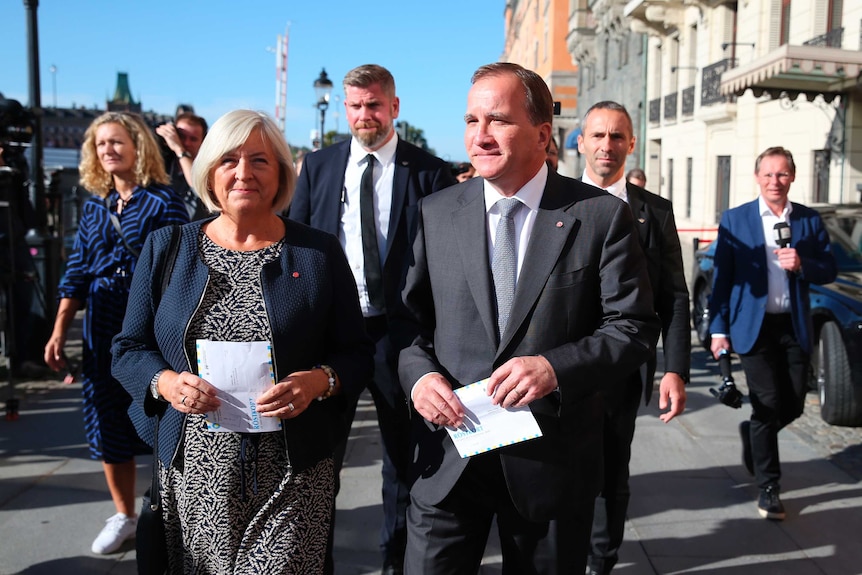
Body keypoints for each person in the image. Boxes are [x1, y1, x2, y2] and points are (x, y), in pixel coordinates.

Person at [396, 62, 660, 574]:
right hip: (449, 458)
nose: (481, 135)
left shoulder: (600, 216)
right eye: (472, 121)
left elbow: (633, 327)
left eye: (497, 120)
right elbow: (410, 325)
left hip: (551, 466)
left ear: (543, 134)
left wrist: (555, 369)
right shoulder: (437, 212)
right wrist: (420, 377)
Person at [111, 109, 375, 573]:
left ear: (281, 175)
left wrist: (318, 381)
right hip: (195, 471)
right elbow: (128, 350)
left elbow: (357, 353)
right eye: (229, 159)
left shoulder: (317, 252)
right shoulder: (167, 247)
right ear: (209, 171)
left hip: (294, 472)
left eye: (260, 160)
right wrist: (167, 383)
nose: (243, 173)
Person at [289, 64, 456, 575]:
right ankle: (315, 562)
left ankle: (394, 561)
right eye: (356, 106)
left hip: (400, 336)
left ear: (394, 107)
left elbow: (448, 262)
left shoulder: (430, 173)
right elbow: (296, 244)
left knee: (404, 461)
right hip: (332, 335)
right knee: (319, 462)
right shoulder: (317, 168)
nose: (365, 116)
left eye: (374, 106)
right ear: (344, 108)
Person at [42, 111, 189, 554]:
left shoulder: (164, 201)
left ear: (139, 146)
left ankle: (173, 513)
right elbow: (76, 272)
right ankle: (124, 515)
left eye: (117, 141)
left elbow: (179, 268)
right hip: (101, 324)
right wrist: (58, 330)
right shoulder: (93, 207)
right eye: (100, 143)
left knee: (162, 415)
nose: (107, 149)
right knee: (106, 419)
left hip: (148, 321)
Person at [577, 101, 690, 575]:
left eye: (617, 136)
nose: (607, 146)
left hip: (623, 369)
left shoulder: (654, 212)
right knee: (554, 470)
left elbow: (675, 296)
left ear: (631, 143)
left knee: (610, 473)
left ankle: (601, 561)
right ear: (580, 142)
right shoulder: (553, 200)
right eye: (598, 136)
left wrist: (676, 369)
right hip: (558, 367)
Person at [709, 146, 837, 521]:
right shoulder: (736, 219)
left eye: (782, 174)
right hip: (752, 327)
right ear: (757, 177)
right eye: (768, 174)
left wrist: (803, 263)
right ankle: (769, 486)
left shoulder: (809, 221)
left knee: (793, 403)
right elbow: (723, 278)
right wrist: (718, 329)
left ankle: (755, 433)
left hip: (793, 324)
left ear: (793, 177)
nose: (774, 181)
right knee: (767, 401)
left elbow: (828, 268)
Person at [156, 112, 210, 221]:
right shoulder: (162, 164)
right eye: (181, 136)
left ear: (203, 142)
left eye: (193, 139)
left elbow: (198, 187)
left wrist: (180, 150)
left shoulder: (208, 168)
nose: (186, 143)